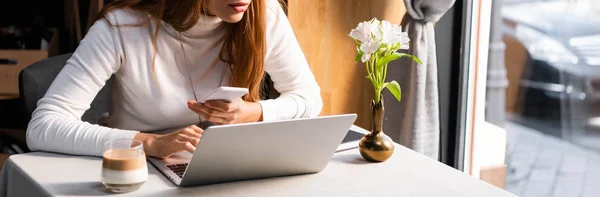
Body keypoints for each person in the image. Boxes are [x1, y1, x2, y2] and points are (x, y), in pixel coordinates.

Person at [25, 0, 322, 159]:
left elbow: (309, 98)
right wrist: (148, 142)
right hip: (133, 173)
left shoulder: (263, 12)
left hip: (220, 169)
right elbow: (43, 127)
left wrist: (253, 113)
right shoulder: (122, 27)